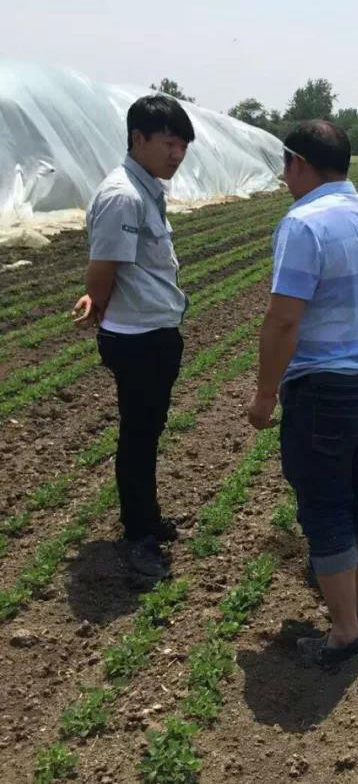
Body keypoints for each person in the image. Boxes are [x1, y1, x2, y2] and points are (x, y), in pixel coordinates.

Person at [247, 120, 358, 668]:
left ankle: (344, 634)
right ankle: (357, 604)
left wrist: (265, 395)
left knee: (324, 506)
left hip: (325, 391)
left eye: (284, 165)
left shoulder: (303, 223)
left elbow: (283, 319)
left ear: (299, 163)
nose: (284, 177)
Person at [72, 94, 194, 580]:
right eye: (169, 143)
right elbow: (102, 267)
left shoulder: (147, 190)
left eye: (183, 146)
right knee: (139, 437)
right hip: (137, 338)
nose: (177, 155)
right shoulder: (124, 196)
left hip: (154, 332)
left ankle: (147, 516)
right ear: (137, 138)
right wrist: (96, 300)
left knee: (147, 431)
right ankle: (139, 533)